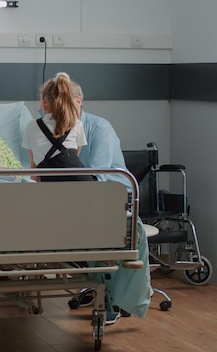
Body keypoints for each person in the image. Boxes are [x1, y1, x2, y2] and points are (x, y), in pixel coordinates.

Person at [71, 79, 152, 325]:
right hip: (77, 197)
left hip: (113, 195)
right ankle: (103, 287)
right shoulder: (51, 129)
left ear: (78, 102)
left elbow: (98, 176)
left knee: (99, 227)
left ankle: (111, 297)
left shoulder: (99, 128)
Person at [21, 72, 92, 182]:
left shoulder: (32, 126)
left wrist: (34, 187)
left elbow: (33, 162)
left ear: (44, 103)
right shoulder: (77, 124)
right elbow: (74, 156)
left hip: (52, 183)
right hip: (81, 181)